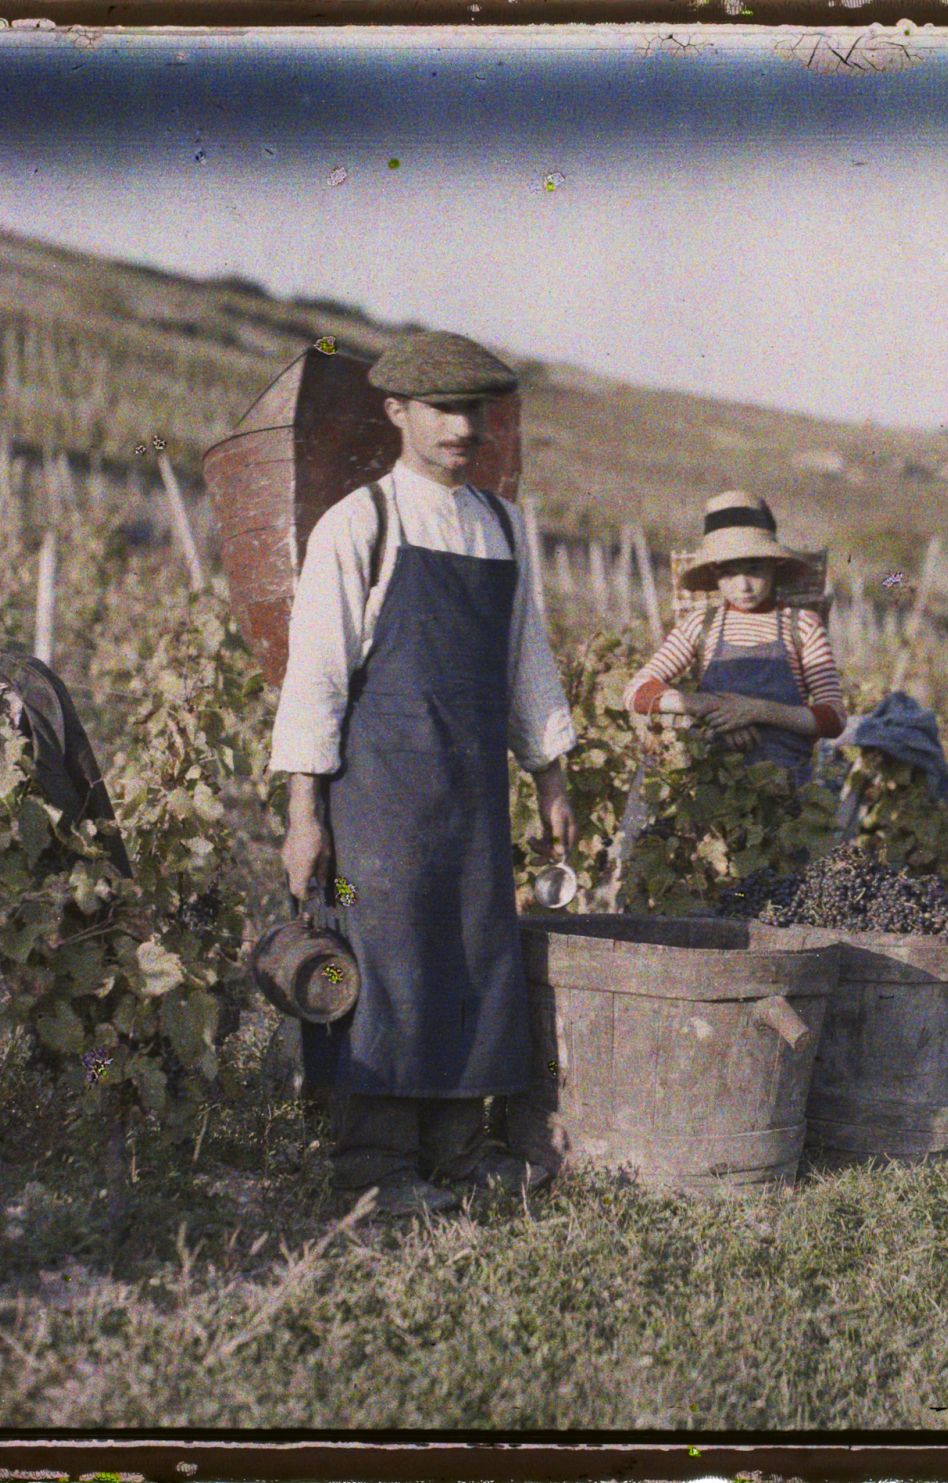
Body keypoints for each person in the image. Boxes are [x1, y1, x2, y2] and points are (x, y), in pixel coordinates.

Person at [270, 330, 578, 1218]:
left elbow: (529, 658)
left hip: (473, 786)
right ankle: (374, 1162)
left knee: (476, 953)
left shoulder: (502, 525)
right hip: (380, 786)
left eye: (475, 409)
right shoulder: (361, 522)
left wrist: (551, 773)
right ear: (397, 411)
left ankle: (456, 1149)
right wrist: (305, 812)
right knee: (391, 960)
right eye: (443, 408)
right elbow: (317, 674)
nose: (463, 426)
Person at [620, 490, 845, 788]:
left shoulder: (801, 625)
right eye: (729, 573)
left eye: (754, 569)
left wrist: (757, 711)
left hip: (786, 790)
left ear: (773, 564)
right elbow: (635, 692)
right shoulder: (701, 624)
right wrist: (709, 708)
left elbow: (833, 718)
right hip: (712, 785)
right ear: (715, 574)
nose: (744, 586)